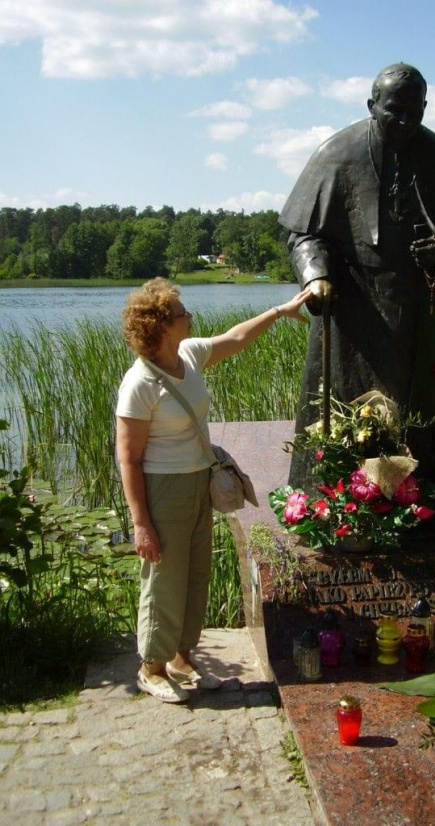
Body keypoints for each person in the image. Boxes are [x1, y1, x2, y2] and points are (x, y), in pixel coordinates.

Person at [279, 63, 435, 488]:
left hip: (418, 316)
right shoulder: (337, 154)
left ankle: (420, 498)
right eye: (395, 110)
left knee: (417, 417)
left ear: (425, 107)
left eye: (416, 111)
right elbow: (303, 232)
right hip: (352, 307)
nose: (406, 121)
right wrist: (315, 275)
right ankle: (334, 498)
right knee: (344, 411)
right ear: (372, 105)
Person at [116, 278, 309, 702]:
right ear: (163, 326)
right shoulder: (140, 383)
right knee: (165, 578)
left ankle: (182, 659)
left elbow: (235, 338)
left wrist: (279, 311)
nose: (190, 318)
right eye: (183, 314)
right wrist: (140, 523)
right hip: (162, 488)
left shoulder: (187, 354)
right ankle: (151, 666)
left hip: (198, 480)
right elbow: (128, 459)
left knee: (196, 574)